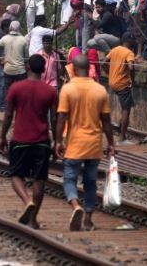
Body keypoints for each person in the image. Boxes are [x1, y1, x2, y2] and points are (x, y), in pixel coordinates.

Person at [55, 52, 115, 231]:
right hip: (94, 144)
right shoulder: (100, 89)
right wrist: (111, 143)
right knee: (90, 182)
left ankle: (75, 205)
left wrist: (57, 141)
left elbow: (61, 118)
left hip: (75, 144)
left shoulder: (67, 89)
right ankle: (88, 219)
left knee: (69, 178)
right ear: (89, 68)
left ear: (72, 68)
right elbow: (106, 121)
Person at [0, 54, 57, 229]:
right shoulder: (50, 91)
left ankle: (27, 201)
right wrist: (58, 140)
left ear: (28, 68)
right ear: (44, 69)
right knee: (39, 179)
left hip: (21, 139)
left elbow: (8, 114)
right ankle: (33, 219)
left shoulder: (16, 88)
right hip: (42, 140)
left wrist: (2, 136)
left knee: (16, 175)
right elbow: (55, 118)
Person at [106, 32, 138, 144]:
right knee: (126, 110)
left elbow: (104, 62)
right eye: (133, 40)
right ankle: (122, 138)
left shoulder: (114, 50)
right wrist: (132, 79)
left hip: (112, 82)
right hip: (122, 84)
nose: (134, 42)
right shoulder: (129, 53)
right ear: (129, 40)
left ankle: (121, 132)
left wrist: (108, 73)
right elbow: (131, 66)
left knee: (124, 108)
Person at [0, 20, 28, 112]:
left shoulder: (5, 38)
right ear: (19, 28)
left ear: (11, 28)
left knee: (7, 91)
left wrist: (0, 58)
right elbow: (27, 58)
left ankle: (7, 109)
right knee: (21, 91)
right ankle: (19, 109)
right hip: (20, 71)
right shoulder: (24, 40)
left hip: (8, 69)